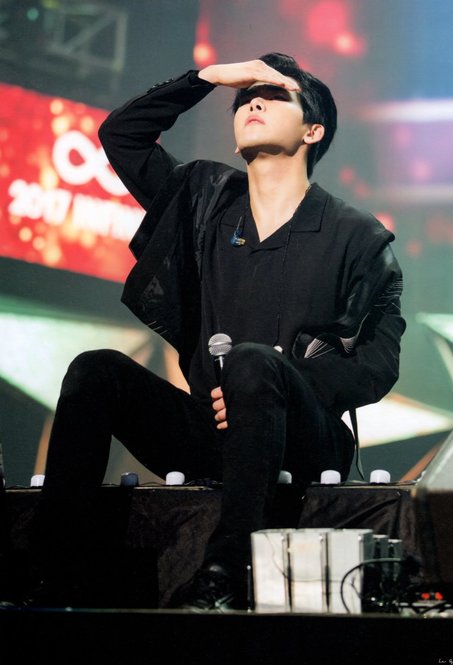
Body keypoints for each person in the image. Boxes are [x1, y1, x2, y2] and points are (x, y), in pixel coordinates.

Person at [27, 53, 406, 611]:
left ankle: (224, 574)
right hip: (211, 431)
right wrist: (205, 78)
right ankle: (51, 575)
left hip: (304, 439)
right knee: (95, 371)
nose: (252, 102)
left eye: (274, 95)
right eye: (244, 97)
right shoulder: (202, 199)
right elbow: (122, 135)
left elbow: (376, 364)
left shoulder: (358, 236)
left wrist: (273, 385)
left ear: (313, 130)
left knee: (253, 362)